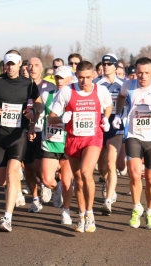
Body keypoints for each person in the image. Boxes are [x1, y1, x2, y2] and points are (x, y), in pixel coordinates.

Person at [0, 50, 42, 232]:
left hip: (18, 134)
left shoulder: (28, 83)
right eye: (7, 64)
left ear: (19, 64)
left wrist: (34, 113)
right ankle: (14, 186)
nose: (10, 67)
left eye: (13, 64)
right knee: (1, 180)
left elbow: (38, 102)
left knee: (12, 171)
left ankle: (7, 217)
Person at [113, 57, 151, 230]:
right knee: (134, 174)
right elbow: (120, 98)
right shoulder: (128, 85)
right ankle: (136, 208)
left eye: (147, 73)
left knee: (150, 178)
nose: (143, 76)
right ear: (136, 71)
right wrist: (118, 115)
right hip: (133, 135)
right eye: (140, 72)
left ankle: (149, 211)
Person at [50, 61, 113, 233]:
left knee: (86, 173)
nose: (84, 81)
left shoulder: (101, 90)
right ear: (76, 75)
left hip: (93, 138)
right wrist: (62, 118)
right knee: (78, 180)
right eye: (81, 77)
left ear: (93, 75)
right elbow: (51, 117)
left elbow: (108, 105)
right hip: (73, 140)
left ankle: (91, 214)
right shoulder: (66, 92)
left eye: (88, 77)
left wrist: (106, 118)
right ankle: (82, 214)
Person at [40, 65, 74, 224]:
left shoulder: (75, 96)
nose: (59, 81)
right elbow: (37, 110)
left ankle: (66, 211)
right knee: (47, 180)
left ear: (70, 79)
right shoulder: (47, 95)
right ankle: (56, 188)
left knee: (68, 181)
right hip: (50, 142)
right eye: (57, 77)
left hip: (68, 144)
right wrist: (32, 118)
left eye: (62, 78)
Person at [93, 54, 124, 216]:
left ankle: (108, 199)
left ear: (115, 66)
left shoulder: (123, 84)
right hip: (98, 126)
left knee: (112, 163)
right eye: (103, 64)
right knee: (102, 166)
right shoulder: (96, 83)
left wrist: (122, 117)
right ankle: (107, 182)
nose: (105, 66)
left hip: (116, 126)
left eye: (109, 64)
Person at [23, 57, 55, 213]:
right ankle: (35, 200)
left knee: (37, 167)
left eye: (36, 65)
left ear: (41, 68)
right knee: (28, 168)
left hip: (43, 131)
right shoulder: (22, 85)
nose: (33, 68)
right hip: (25, 131)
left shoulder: (50, 87)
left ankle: (51, 185)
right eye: (30, 65)